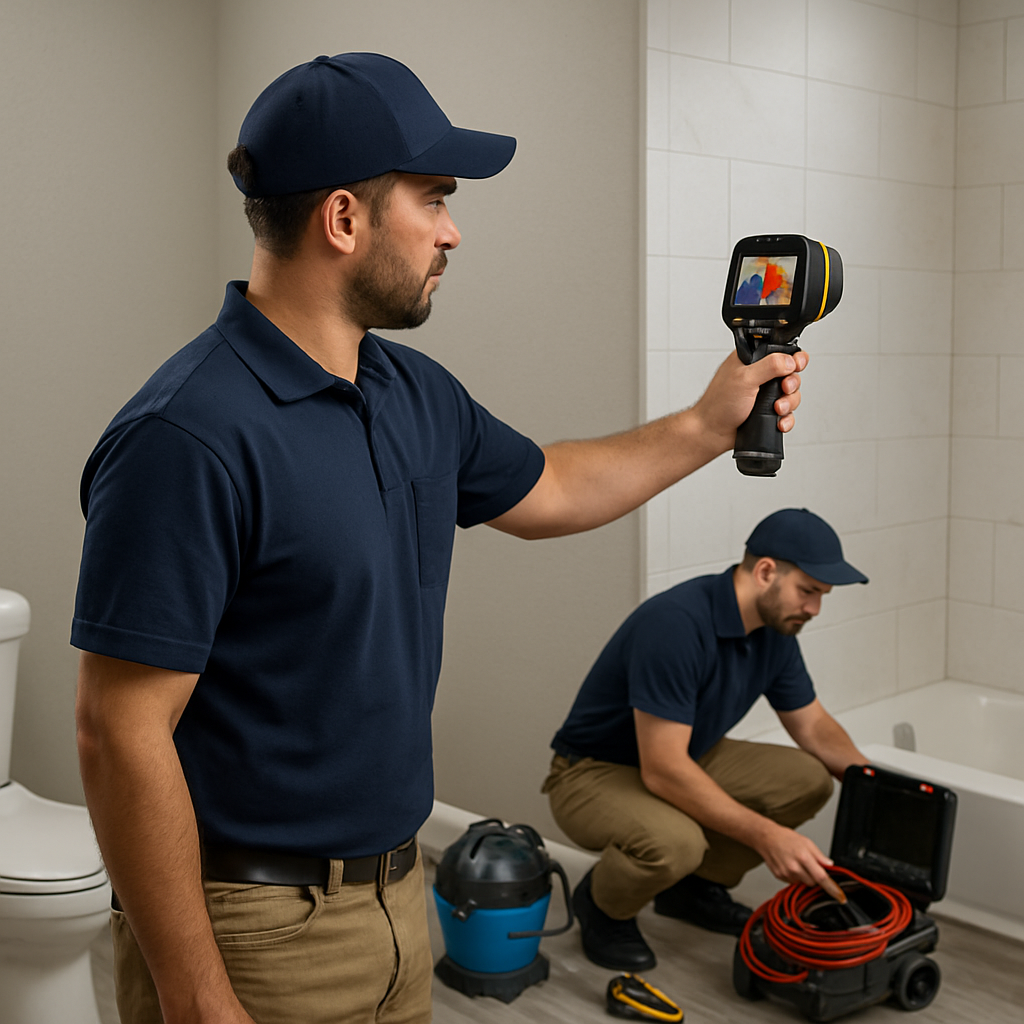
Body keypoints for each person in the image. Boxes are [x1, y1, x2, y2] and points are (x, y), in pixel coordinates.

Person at [72, 53, 808, 1024]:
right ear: (344, 218)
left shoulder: (412, 393)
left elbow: (549, 485)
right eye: (433, 199)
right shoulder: (188, 435)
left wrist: (706, 425)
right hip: (249, 926)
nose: (452, 232)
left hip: (392, 897)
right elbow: (118, 733)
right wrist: (199, 996)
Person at [543, 508, 869, 972]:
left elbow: (814, 727)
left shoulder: (775, 631)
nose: (814, 609)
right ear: (765, 571)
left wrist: (872, 783)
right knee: (676, 843)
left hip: (686, 753)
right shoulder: (676, 623)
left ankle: (690, 890)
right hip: (592, 771)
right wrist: (766, 836)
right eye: (809, 591)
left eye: (822, 596)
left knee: (809, 780)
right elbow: (663, 770)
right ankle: (602, 907)